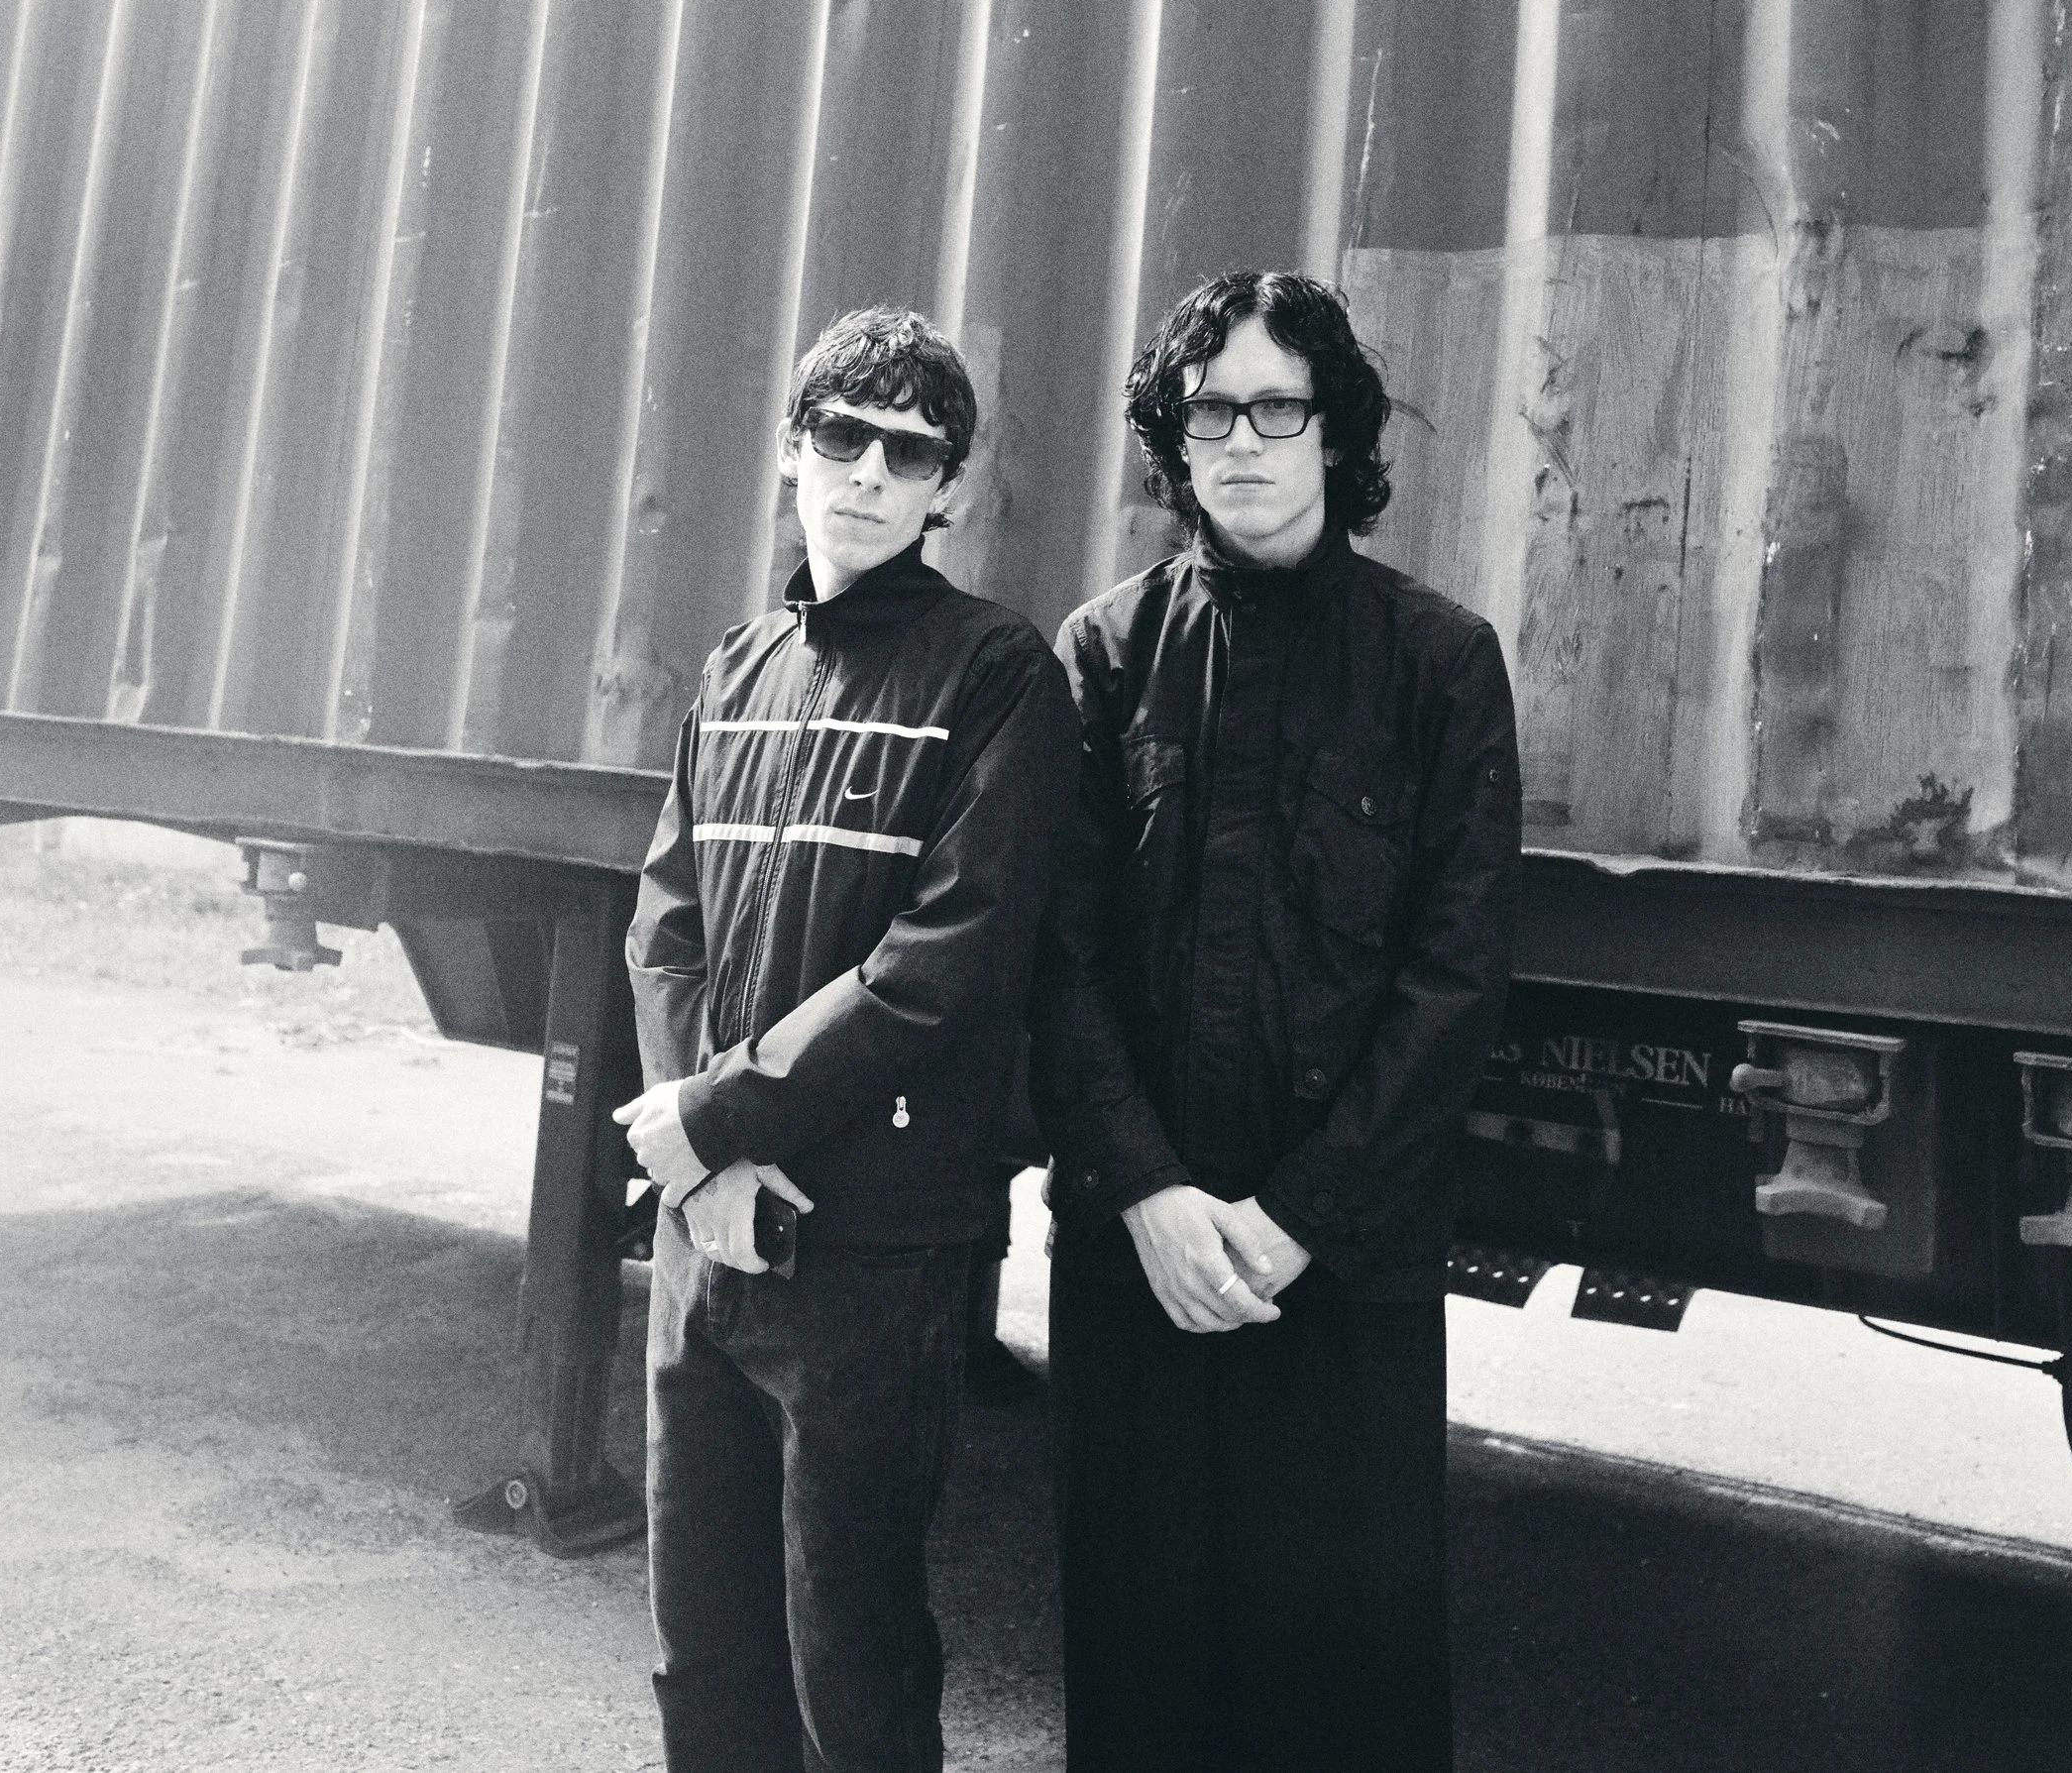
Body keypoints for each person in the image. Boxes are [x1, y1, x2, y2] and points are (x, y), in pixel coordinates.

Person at [1029, 270, 1521, 1773]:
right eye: (1208, 411)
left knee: (1343, 1695)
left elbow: (1457, 978)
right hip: (1140, 1261)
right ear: (1175, 442)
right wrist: (1153, 1196)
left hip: (1343, 1271)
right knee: (1145, 1675)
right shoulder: (1104, 655)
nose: (1240, 440)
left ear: (1334, 430)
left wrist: (1300, 1215)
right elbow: (1056, 957)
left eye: (1275, 407)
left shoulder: (1439, 663)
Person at [615, 308, 1077, 1773]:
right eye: (842, 436)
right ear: (789, 452)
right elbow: (664, 923)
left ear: (949, 488)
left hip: (870, 1254)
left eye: (910, 451)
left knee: (852, 1666)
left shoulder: (1000, 675)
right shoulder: (733, 668)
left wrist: (723, 1127)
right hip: (708, 1242)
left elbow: (938, 964)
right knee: (703, 1650)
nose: (869, 473)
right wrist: (699, 1157)